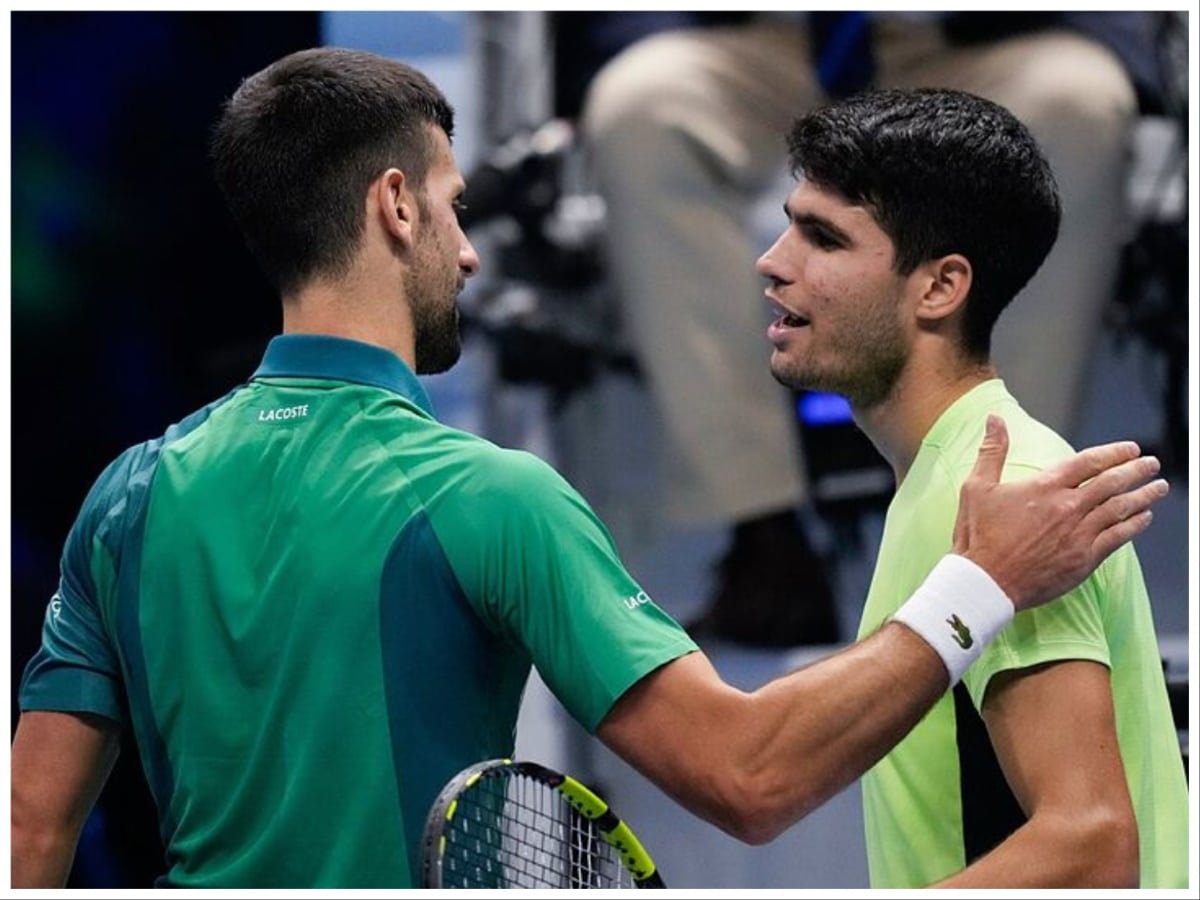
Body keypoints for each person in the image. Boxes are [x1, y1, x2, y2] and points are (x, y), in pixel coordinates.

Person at [9, 48, 1169, 889]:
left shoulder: (126, 495)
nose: (470, 251)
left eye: (816, 236)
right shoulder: (487, 497)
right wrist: (975, 589)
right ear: (396, 205)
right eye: (458, 209)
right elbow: (749, 777)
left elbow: (29, 833)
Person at [580, 11, 1166, 646]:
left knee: (1076, 103)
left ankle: (993, 510)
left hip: (965, 36)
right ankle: (765, 537)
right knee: (639, 110)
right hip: (763, 36)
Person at [761, 87, 1188, 887]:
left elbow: (1092, 846)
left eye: (822, 237)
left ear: (939, 289)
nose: (774, 260)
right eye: (789, 223)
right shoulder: (948, 478)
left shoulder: (1005, 488)